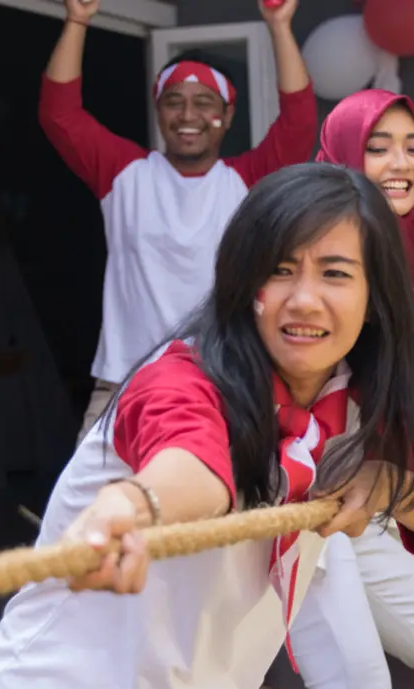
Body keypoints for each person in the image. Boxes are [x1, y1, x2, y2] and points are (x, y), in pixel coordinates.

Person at [0, 163, 414, 689]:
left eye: (335, 273)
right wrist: (131, 505)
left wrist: (388, 487)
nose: (304, 299)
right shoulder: (181, 377)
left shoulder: (359, 402)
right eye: (281, 270)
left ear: (376, 295)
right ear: (243, 283)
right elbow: (192, 460)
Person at [41, 0, 318, 440]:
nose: (188, 116)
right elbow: (59, 114)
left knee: (217, 508)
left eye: (203, 103)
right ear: (158, 110)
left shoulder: (246, 182)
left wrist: (279, 25)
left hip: (221, 382)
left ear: (227, 115)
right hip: (124, 383)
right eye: (175, 102)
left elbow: (299, 123)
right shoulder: (123, 174)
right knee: (91, 508)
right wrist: (77, 19)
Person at [287, 89, 414, 689]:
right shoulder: (324, 258)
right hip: (305, 512)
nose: (402, 163)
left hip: (366, 512)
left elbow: (398, 362)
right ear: (340, 156)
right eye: (378, 147)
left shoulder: (392, 259)